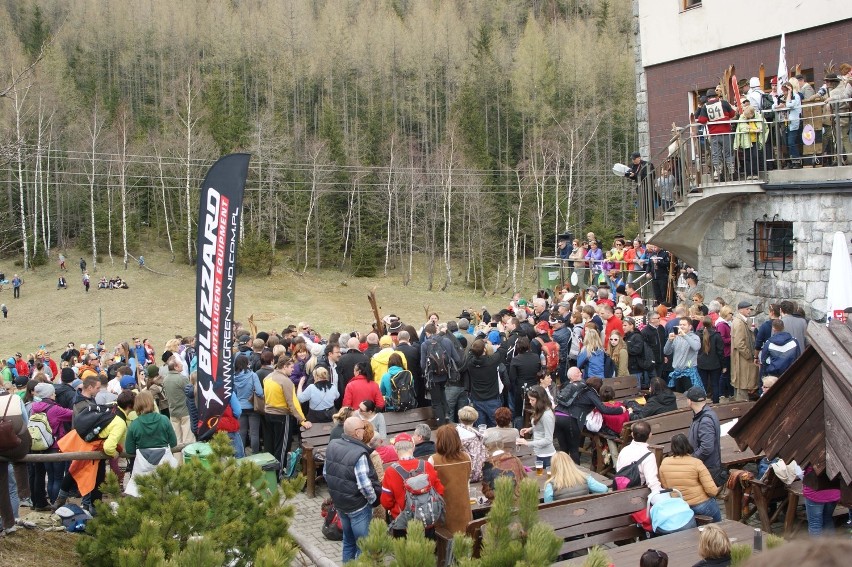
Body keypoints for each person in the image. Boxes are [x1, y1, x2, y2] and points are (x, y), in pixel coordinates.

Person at [324, 416, 382, 562]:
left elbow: (326, 473)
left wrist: (337, 494)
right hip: (358, 507)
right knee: (363, 546)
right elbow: (365, 485)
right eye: (362, 428)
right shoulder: (359, 453)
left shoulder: (333, 445)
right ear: (357, 433)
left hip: (341, 504)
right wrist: (373, 501)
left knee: (348, 542)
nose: (364, 431)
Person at [554, 366, 627, 464]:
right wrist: (620, 409)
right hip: (570, 419)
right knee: (574, 450)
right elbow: (603, 409)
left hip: (557, 416)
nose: (581, 374)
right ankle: (576, 477)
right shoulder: (590, 392)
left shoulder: (574, 387)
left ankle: (562, 475)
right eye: (579, 372)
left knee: (563, 450)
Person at [380, 432, 444, 538]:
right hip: (427, 520)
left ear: (395, 450)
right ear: (413, 447)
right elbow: (440, 491)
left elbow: (386, 502)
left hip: (403, 524)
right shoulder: (426, 465)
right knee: (429, 552)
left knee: (405, 554)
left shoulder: (390, 471)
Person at [124, 390, 178, 497]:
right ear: (152, 402)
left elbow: (129, 449)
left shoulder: (135, 424)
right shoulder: (164, 420)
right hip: (164, 464)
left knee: (142, 495)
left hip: (142, 466)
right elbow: (173, 443)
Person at [29, 382, 73, 509]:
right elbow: (72, 414)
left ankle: (51, 502)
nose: (55, 394)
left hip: (43, 446)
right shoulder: (55, 409)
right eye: (53, 393)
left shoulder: (35, 407)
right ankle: (56, 504)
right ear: (49, 394)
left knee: (51, 476)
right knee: (58, 477)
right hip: (55, 445)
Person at [658, 434, 721, 522]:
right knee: (719, 524)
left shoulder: (664, 463)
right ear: (687, 444)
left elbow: (666, 487)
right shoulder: (696, 462)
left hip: (680, 507)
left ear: (672, 447)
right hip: (701, 505)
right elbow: (712, 491)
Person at [263, 357, 312, 468]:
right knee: (282, 447)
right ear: (284, 367)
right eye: (291, 367)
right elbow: (293, 403)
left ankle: (270, 471)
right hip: (281, 416)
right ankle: (279, 473)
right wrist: (302, 420)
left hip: (268, 414)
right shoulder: (286, 381)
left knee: (270, 445)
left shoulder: (267, 378)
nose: (292, 370)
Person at [428, 424, 472, 534]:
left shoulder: (433, 460)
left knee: (447, 545)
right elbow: (467, 483)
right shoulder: (466, 457)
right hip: (464, 508)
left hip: (444, 511)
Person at [0, 388, 31, 533]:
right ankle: (25, 493)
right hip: (17, 445)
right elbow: (26, 422)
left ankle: (8, 523)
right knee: (19, 462)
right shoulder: (15, 399)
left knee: (2, 485)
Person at [460, 338, 506, 427]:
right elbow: (503, 349)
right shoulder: (492, 361)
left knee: (481, 427)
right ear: (484, 349)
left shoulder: (469, 362)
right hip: (492, 399)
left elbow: (471, 350)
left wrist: (480, 338)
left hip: (477, 400)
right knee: (495, 426)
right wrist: (502, 334)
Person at [696, 88, 736, 181]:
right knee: (728, 152)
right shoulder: (724, 103)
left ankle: (718, 173)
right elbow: (732, 114)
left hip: (714, 135)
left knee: (716, 154)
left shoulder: (706, 106)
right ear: (716, 96)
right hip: (726, 133)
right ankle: (731, 172)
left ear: (707, 98)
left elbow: (702, 120)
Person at [685, 387, 723, 486]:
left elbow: (706, 448)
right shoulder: (705, 414)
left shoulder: (705, 420)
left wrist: (692, 459)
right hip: (705, 466)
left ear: (690, 401)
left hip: (707, 469)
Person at [543, 451, 609, 502]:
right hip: (586, 515)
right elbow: (604, 489)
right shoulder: (585, 478)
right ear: (571, 463)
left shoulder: (551, 485)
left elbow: (548, 505)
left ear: (553, 467)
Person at [615, 421, 662, 492]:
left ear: (632, 435)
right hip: (638, 492)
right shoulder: (649, 455)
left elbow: (618, 470)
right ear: (650, 435)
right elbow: (652, 482)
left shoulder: (624, 450)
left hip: (620, 489)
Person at [516, 385, 555, 468]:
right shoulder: (541, 410)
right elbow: (541, 427)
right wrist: (530, 429)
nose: (530, 402)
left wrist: (528, 443)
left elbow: (548, 440)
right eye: (529, 399)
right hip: (539, 453)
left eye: (532, 400)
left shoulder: (547, 415)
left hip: (547, 456)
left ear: (540, 400)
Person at [233, 354, 264, 455]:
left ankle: (241, 454)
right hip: (252, 407)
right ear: (247, 363)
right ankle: (255, 454)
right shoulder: (252, 375)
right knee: (254, 433)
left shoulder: (233, 377)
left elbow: (233, 393)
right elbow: (259, 392)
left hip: (239, 408)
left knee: (242, 433)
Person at [664, 317, 702, 393]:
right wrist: (669, 340)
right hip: (677, 372)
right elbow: (666, 352)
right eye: (680, 324)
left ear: (690, 327)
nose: (681, 327)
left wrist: (684, 335)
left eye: (684, 325)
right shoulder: (676, 337)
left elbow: (696, 347)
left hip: (689, 372)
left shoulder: (695, 337)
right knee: (679, 396)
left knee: (691, 396)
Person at [802, 465, 841, 537]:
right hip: (833, 489)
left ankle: (817, 548)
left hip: (815, 491)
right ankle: (833, 547)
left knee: (815, 524)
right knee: (827, 518)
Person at [163, 355, 194, 445]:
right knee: (188, 439)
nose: (182, 365)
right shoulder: (182, 378)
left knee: (177, 440)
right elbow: (191, 392)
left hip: (173, 412)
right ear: (176, 367)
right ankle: (188, 458)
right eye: (180, 364)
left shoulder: (165, 379)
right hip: (185, 412)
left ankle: (178, 458)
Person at [731, 301, 758, 401]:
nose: (749, 311)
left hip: (743, 359)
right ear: (741, 310)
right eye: (747, 309)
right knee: (742, 384)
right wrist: (748, 355)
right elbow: (739, 343)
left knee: (743, 384)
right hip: (742, 359)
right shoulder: (739, 323)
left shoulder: (743, 321)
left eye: (750, 309)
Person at [696, 316, 724, 401]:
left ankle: (702, 401)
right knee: (715, 384)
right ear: (711, 323)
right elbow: (720, 351)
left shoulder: (697, 334)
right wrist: (723, 365)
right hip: (714, 363)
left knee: (703, 384)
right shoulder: (716, 335)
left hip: (701, 363)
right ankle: (716, 402)